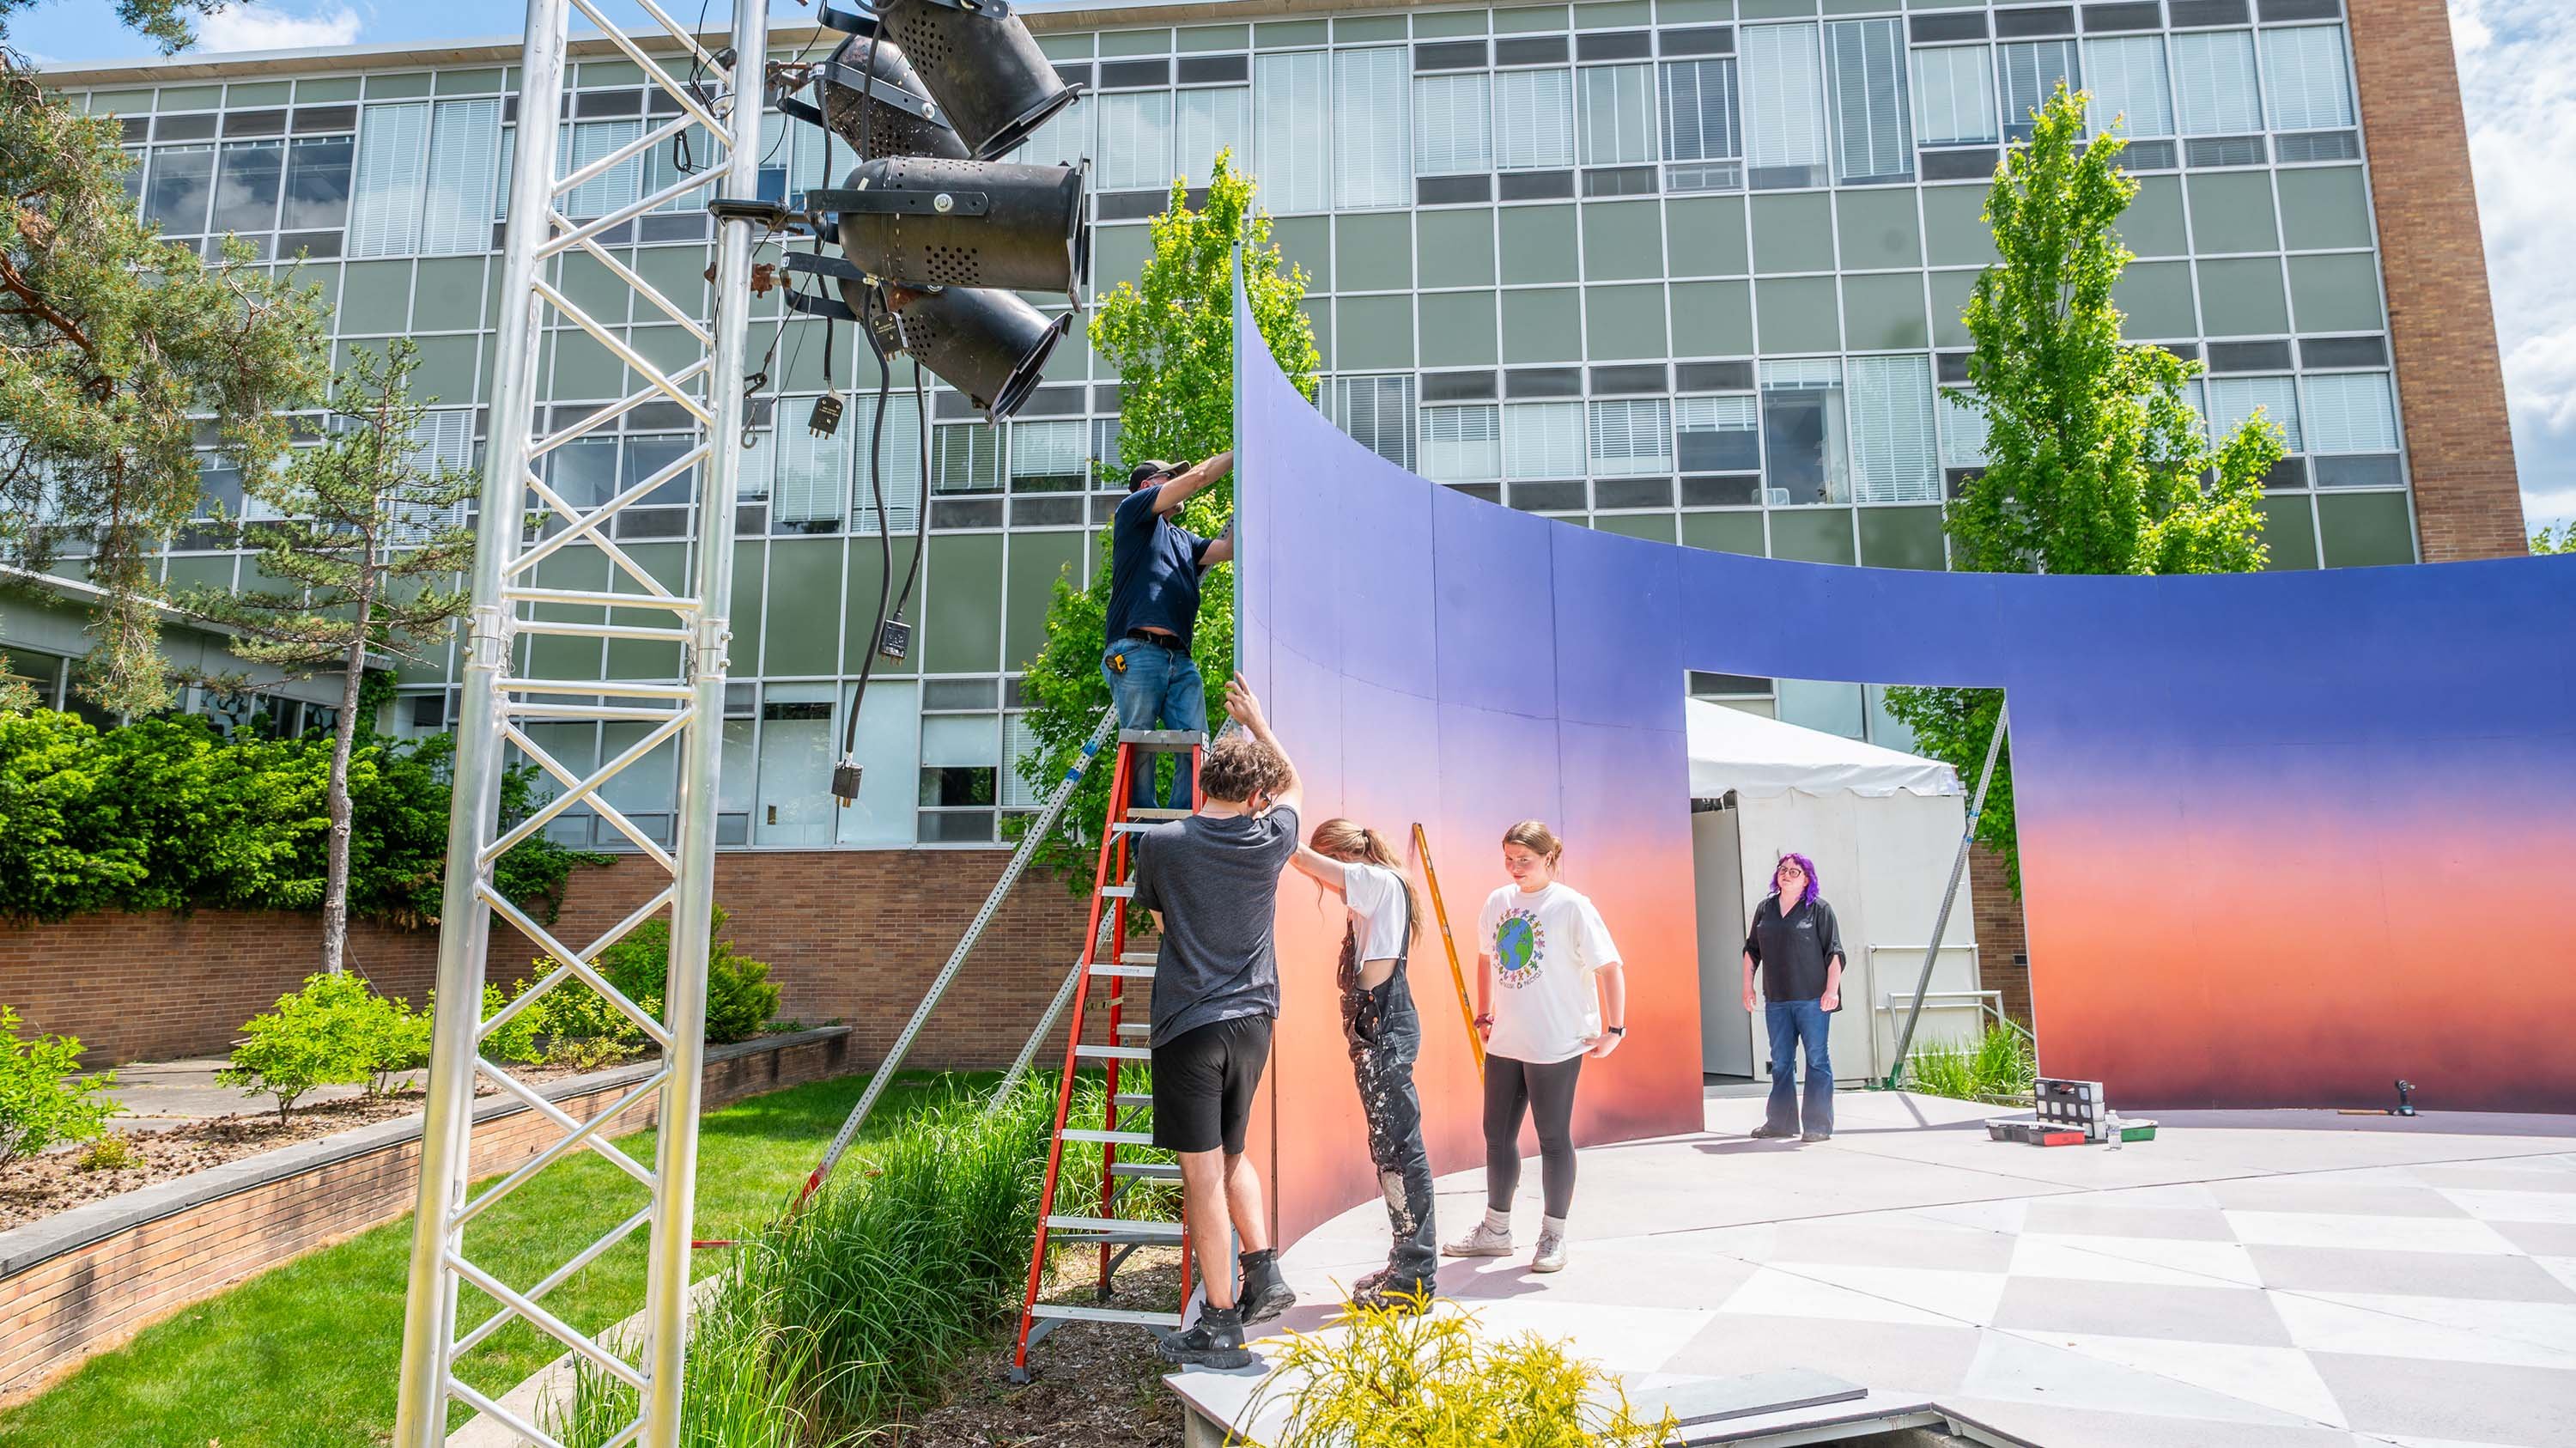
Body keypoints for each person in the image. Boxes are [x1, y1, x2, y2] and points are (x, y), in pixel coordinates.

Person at [1133, 672, 1299, 1368]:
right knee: (1233, 1155)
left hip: (1190, 1025)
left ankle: (1221, 1325)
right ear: (1255, 795)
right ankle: (1265, 1272)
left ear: (1203, 780)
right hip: (1255, 1022)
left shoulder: (1162, 845)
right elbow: (1294, 785)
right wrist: (1259, 722)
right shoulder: (1270, 839)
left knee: (1201, 1175)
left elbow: (1161, 919)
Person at [1443, 821, 1627, 1275]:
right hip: (1506, 1041)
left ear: (1549, 857)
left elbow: (1610, 967)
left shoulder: (1571, 906)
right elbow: (1487, 958)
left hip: (1556, 1042)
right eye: (1508, 858)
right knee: (1497, 1137)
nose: (1515, 868)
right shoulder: (1498, 901)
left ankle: (1553, 1235)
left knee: (1552, 1139)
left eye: (1524, 860)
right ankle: (1496, 1230)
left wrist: (1615, 1028)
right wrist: (1484, 1015)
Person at [1288, 818, 1436, 1312]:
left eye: (1328, 871)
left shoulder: (1375, 881)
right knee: (1389, 1146)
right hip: (1379, 1028)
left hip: (1386, 1027)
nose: (1324, 887)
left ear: (1342, 857)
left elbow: (1301, 857)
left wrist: (1264, 820)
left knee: (1399, 1147)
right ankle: (1405, 1258)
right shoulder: (1374, 891)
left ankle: (1415, 1273)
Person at [1103, 452, 1236, 812]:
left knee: (1198, 742)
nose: (1178, 483)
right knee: (1140, 747)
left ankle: (1183, 828)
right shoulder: (1133, 513)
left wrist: (1251, 496)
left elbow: (1228, 549)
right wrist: (1242, 450)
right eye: (1168, 478)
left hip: (1179, 659)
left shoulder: (1182, 540)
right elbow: (1199, 477)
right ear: (1148, 487)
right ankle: (1140, 843)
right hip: (1136, 652)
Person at [1741, 852, 1846, 1142]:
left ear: (1807, 879)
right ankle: (1780, 1123)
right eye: (1783, 869)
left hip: (1813, 999)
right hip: (1777, 999)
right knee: (1782, 1061)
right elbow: (1751, 950)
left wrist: (1831, 990)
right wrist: (1747, 986)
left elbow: (1834, 953)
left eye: (1794, 871)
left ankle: (1818, 1126)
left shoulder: (1819, 910)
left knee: (1817, 1060)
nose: (1786, 874)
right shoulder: (1765, 909)